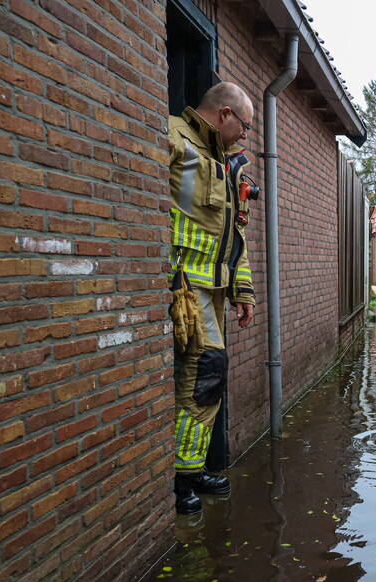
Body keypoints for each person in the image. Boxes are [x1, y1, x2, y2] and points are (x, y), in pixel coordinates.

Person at [167, 82, 257, 515]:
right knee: (204, 378)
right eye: (244, 126)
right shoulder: (171, 139)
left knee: (208, 381)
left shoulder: (227, 165)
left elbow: (235, 235)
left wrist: (243, 291)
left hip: (215, 290)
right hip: (186, 285)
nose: (245, 136)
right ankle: (183, 482)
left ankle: (192, 470)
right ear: (224, 114)